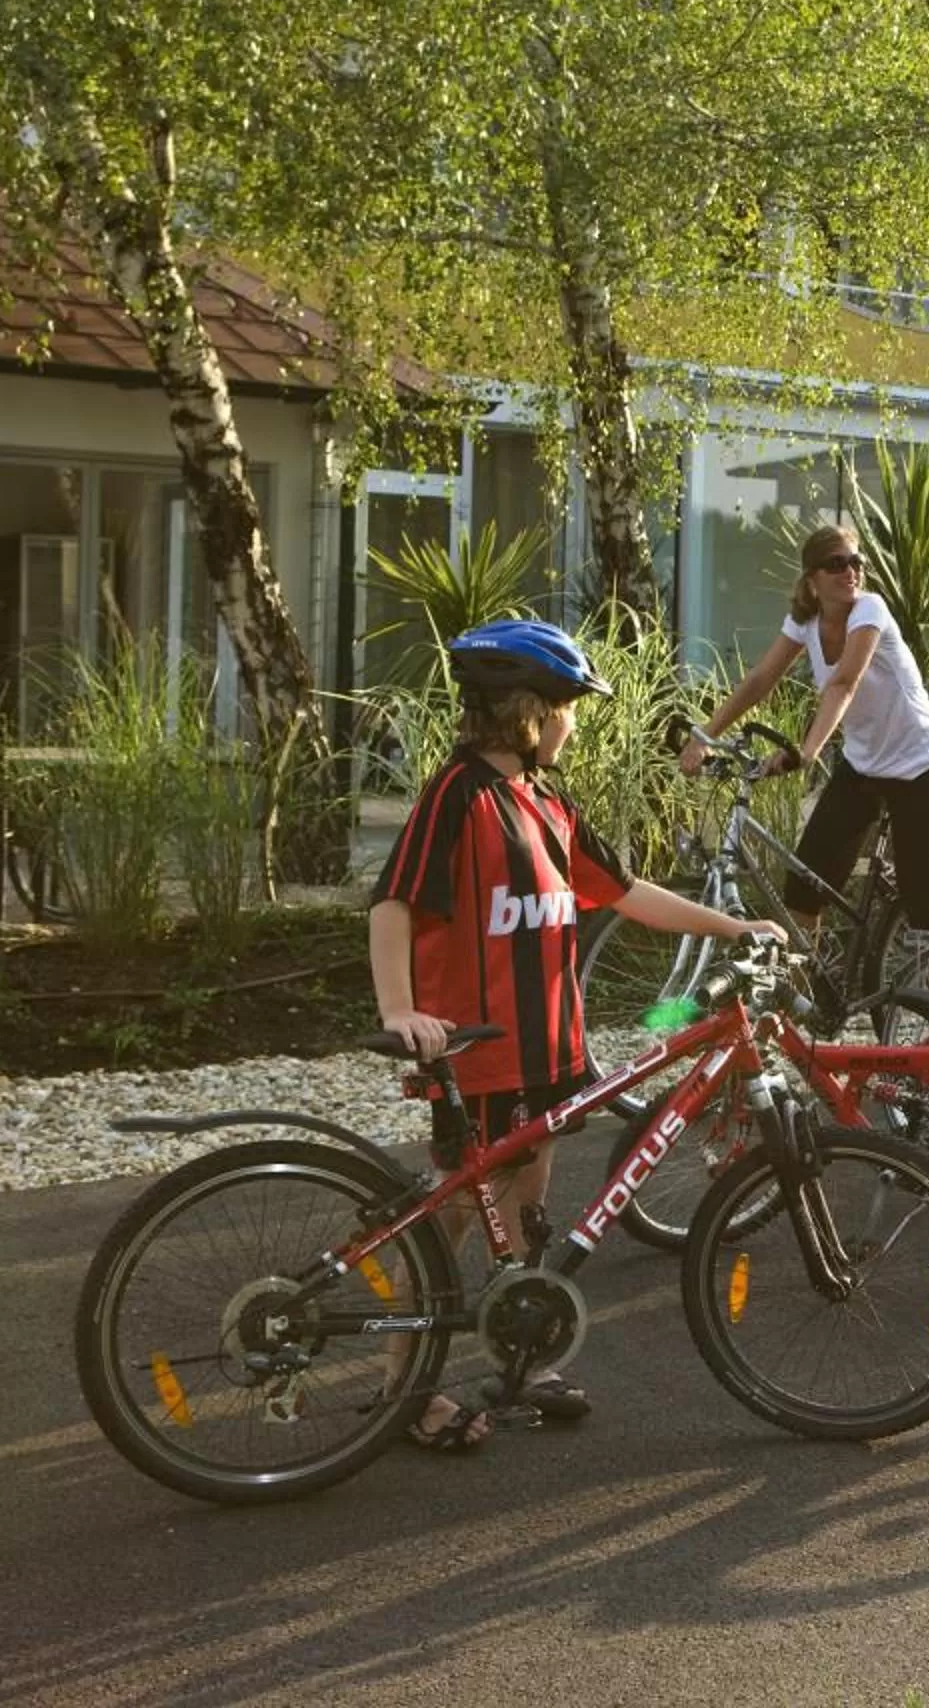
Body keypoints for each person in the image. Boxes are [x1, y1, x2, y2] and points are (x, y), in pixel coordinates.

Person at [373, 620, 784, 1454]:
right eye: (568, 709)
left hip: (546, 1051)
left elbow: (628, 894)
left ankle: (524, 1355)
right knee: (448, 1218)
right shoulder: (458, 796)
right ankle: (402, 1394)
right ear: (531, 711)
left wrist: (735, 926)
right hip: (479, 1052)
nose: (574, 724)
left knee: (528, 1208)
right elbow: (391, 904)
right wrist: (398, 1012)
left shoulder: (548, 802)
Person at [679, 525, 929, 944]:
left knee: (925, 909)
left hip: (923, 768)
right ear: (812, 580)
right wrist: (703, 734)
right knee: (804, 890)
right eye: (836, 564)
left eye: (856, 562)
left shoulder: (871, 609)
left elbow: (845, 682)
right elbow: (760, 680)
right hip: (863, 767)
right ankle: (805, 1002)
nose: (851, 572)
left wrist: (807, 751)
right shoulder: (805, 621)